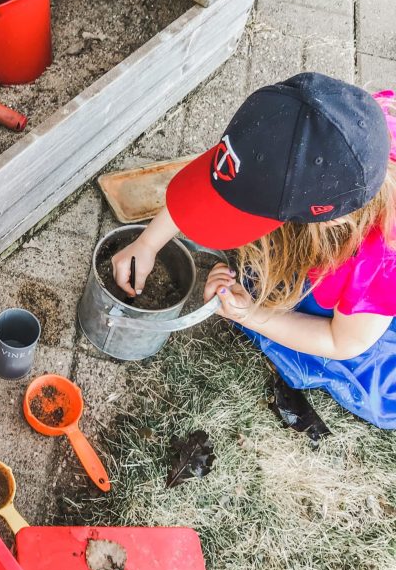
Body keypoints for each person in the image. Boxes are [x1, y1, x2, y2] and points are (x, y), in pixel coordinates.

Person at [111, 73, 396, 428]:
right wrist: (148, 241)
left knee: (374, 387)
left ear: (325, 222)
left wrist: (250, 315)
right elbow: (222, 179)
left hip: (367, 308)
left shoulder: (382, 262)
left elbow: (343, 341)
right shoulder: (316, 133)